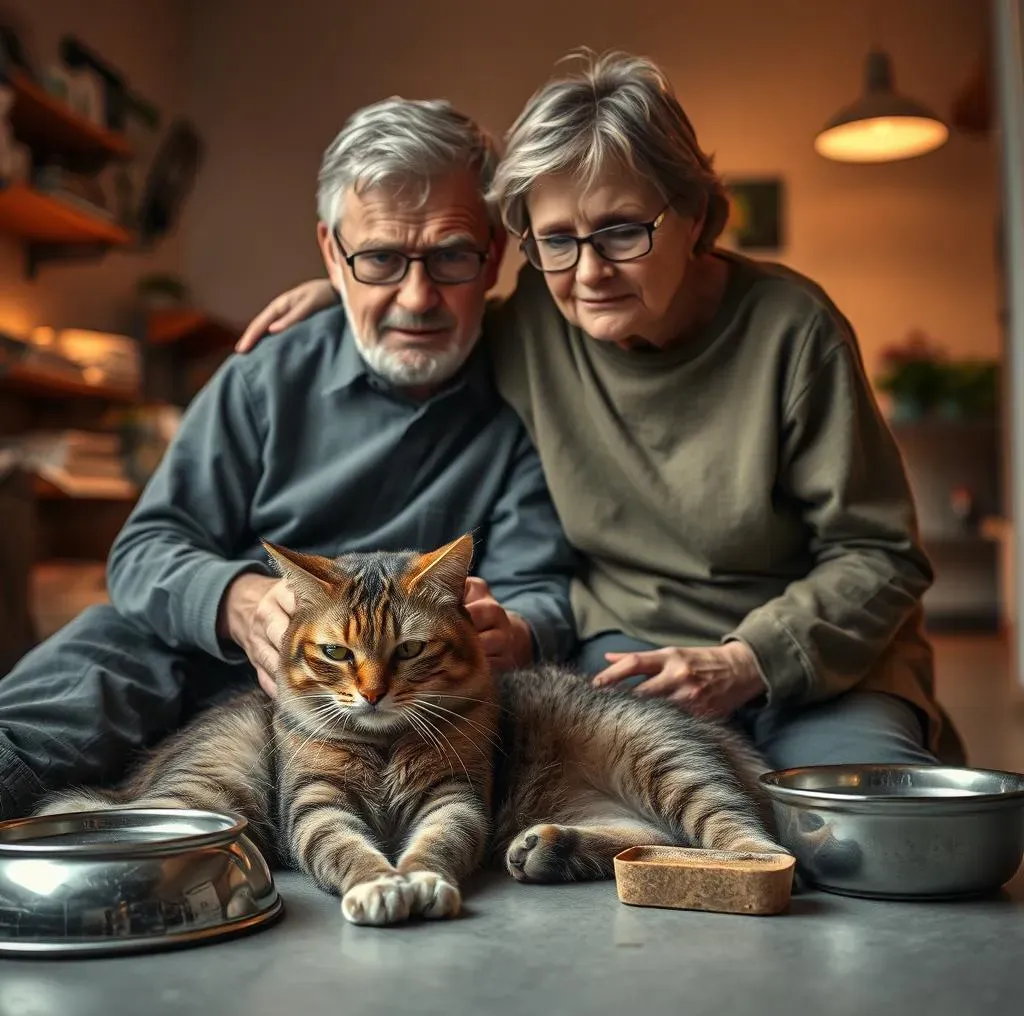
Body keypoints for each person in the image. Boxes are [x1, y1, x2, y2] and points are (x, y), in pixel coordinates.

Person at [239, 50, 964, 767]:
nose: (589, 273)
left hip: (815, 665)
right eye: (556, 239)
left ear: (696, 216)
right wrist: (337, 296)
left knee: (849, 837)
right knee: (621, 826)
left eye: (622, 230)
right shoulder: (534, 320)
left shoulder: (792, 328)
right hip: (624, 661)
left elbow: (880, 553)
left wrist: (746, 661)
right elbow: (427, 302)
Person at [0, 98, 577, 821]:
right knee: (103, 651)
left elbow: (545, 590)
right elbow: (145, 550)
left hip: (412, 706)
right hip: (216, 667)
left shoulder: (528, 392)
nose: (417, 296)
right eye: (379, 259)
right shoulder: (264, 377)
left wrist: (515, 627)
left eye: (452, 255)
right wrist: (237, 602)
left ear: (493, 254)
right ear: (333, 254)